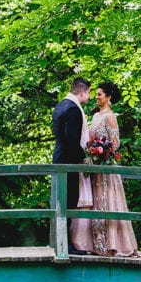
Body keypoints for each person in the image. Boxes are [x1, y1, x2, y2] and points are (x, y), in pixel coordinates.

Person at [70, 81, 138, 257]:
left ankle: (112, 243)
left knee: (108, 201)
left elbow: (115, 144)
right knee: (95, 203)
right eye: (96, 94)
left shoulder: (110, 117)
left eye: (99, 94)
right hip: (95, 167)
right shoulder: (95, 116)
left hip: (105, 166)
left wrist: (102, 153)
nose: (96, 97)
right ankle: (96, 243)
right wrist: (91, 152)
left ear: (108, 97)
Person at [52, 77, 91, 254]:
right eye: (88, 93)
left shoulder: (60, 106)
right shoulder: (74, 109)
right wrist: (83, 158)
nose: (89, 96)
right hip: (68, 161)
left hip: (59, 158)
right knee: (68, 201)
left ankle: (60, 242)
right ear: (82, 92)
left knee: (61, 201)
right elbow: (72, 139)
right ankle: (65, 245)